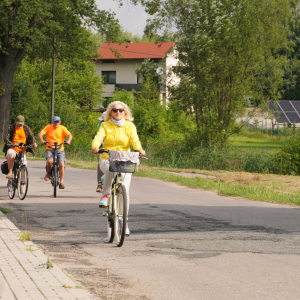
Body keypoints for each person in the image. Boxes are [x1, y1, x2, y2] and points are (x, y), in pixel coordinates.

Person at [92, 101, 145, 236]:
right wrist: (95, 146)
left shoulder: (130, 126)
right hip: (107, 157)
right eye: (115, 110)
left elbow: (135, 140)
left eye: (121, 110)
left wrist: (139, 148)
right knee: (110, 169)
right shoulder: (105, 125)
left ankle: (124, 222)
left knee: (125, 192)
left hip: (125, 158)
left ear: (125, 112)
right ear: (110, 113)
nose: (118, 113)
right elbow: (98, 137)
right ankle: (106, 194)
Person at [3, 115, 37, 191]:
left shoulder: (26, 128)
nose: (20, 125)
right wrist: (12, 143)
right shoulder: (11, 128)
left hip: (22, 149)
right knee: (11, 155)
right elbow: (5, 138)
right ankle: (10, 173)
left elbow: (32, 137)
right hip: (12, 148)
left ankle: (22, 184)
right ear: (15, 121)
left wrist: (34, 143)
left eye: (21, 124)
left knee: (23, 167)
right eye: (18, 123)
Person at [38, 116, 72, 189]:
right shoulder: (48, 127)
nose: (56, 123)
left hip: (60, 148)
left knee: (61, 164)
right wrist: (42, 140)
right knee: (50, 161)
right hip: (50, 148)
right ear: (52, 122)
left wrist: (68, 141)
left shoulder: (62, 128)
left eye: (57, 122)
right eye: (55, 121)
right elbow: (40, 134)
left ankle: (61, 182)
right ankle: (49, 173)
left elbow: (69, 135)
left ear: (60, 122)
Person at [96, 111, 107, 193]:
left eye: (104, 120)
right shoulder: (102, 124)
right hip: (103, 145)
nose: (102, 121)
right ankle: (100, 184)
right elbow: (100, 135)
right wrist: (97, 146)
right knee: (101, 163)